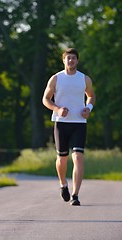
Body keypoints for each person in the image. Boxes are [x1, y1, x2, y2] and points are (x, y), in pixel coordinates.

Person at [42, 48, 96, 206]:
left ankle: (76, 195)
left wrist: (89, 108)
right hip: (61, 123)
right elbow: (45, 99)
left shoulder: (84, 79)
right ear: (63, 60)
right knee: (62, 159)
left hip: (79, 123)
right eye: (68, 58)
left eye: (73, 58)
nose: (71, 61)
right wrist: (57, 109)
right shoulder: (56, 78)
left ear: (77, 60)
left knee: (78, 157)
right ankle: (63, 184)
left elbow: (91, 96)